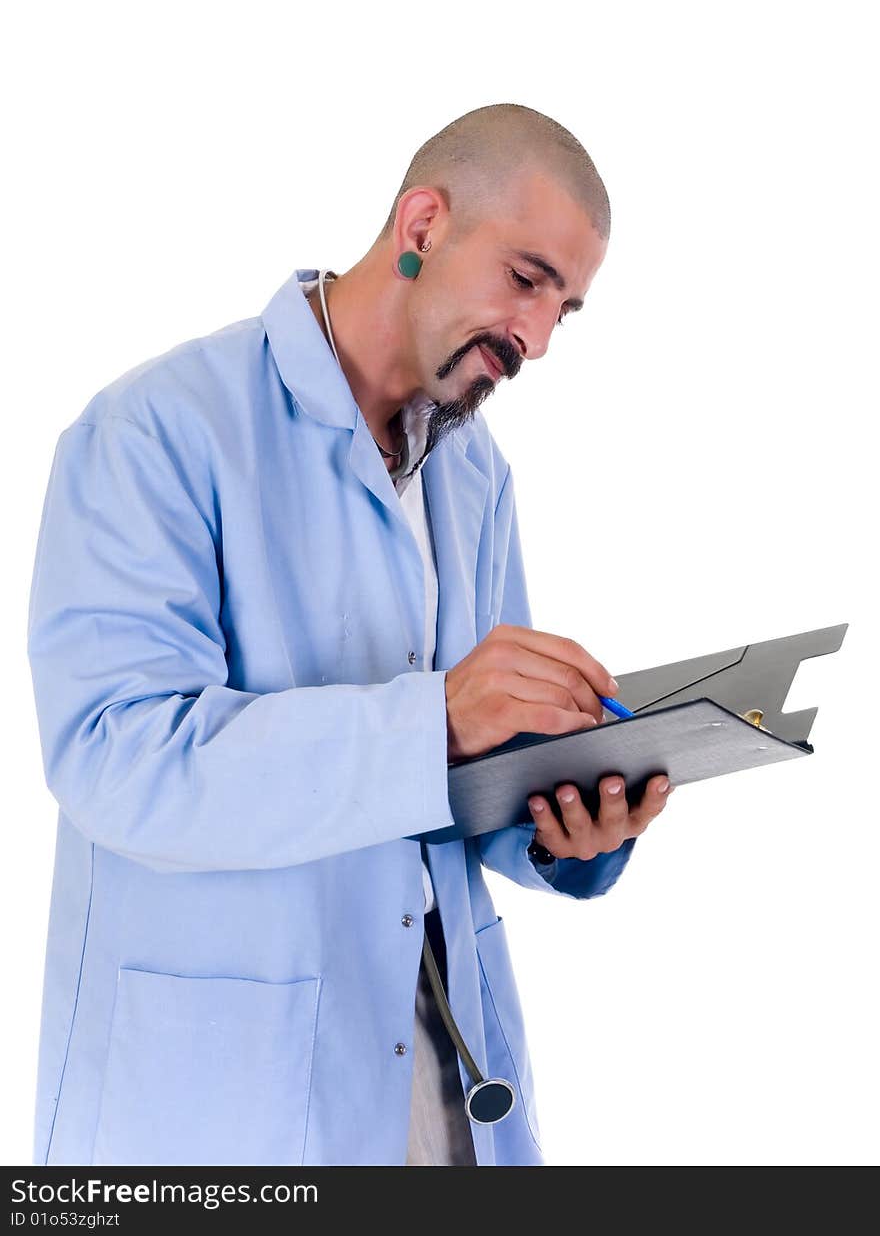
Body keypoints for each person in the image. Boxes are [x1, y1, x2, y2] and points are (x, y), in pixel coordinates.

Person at [26, 102, 673, 1167]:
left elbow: (462, 781)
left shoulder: (473, 472)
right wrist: (434, 722)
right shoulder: (156, 431)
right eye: (526, 278)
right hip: (222, 1101)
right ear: (422, 222)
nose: (538, 338)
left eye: (567, 308)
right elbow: (114, 755)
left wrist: (563, 822)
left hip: (438, 1067)